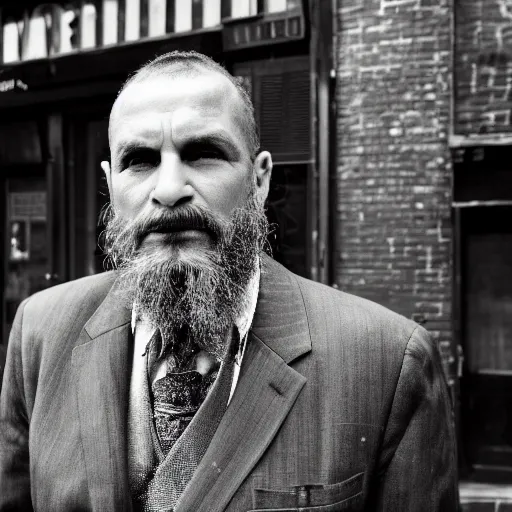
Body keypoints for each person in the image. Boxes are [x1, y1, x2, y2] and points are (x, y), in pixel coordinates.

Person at [0, 51, 458, 511]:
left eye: (204, 154)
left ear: (259, 181)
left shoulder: (388, 364)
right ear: (111, 184)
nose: (168, 189)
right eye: (139, 161)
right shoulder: (40, 334)